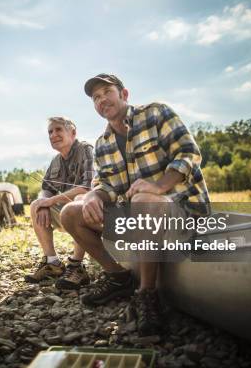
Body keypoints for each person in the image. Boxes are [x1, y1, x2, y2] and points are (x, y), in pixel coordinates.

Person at [60, 74, 210, 335]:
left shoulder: (155, 113)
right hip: (143, 222)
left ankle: (147, 294)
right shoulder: (103, 144)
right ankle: (118, 277)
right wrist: (94, 196)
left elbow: (189, 152)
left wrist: (160, 185)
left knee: (143, 199)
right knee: (71, 211)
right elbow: (107, 185)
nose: (102, 99)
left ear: (124, 94)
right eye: (96, 97)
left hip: (185, 213)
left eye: (107, 91)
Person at [25, 117, 95, 290]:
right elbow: (46, 188)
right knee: (35, 204)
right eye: (50, 132)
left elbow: (87, 188)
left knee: (79, 201)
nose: (53, 135)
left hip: (93, 212)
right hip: (65, 212)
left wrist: (52, 200)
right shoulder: (55, 160)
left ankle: (76, 266)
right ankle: (52, 263)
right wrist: (43, 202)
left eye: (58, 130)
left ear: (73, 133)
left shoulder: (86, 150)